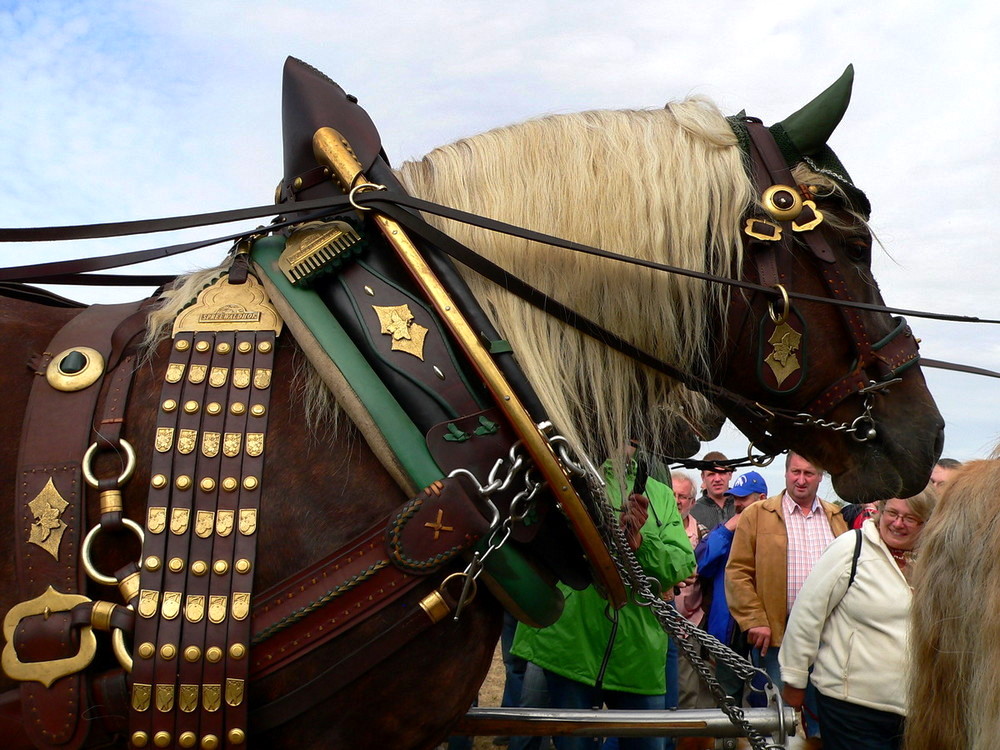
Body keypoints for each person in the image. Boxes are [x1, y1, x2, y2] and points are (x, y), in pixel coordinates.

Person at [512, 451, 697, 750]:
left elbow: (682, 564)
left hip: (639, 651)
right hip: (569, 643)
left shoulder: (660, 493)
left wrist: (641, 543)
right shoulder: (561, 473)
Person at [779, 485, 939, 750]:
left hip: (915, 711)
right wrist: (794, 679)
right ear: (880, 511)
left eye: (910, 518)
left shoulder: (934, 561)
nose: (898, 523)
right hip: (851, 707)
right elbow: (807, 615)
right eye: (892, 513)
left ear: (927, 522)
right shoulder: (852, 548)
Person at [725, 452, 847, 737]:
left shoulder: (834, 515)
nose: (800, 480)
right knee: (779, 720)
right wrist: (754, 619)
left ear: (820, 477)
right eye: (795, 472)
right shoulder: (757, 514)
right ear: (785, 473)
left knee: (824, 723)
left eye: (808, 473)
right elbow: (738, 572)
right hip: (777, 636)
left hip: (828, 638)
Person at [695, 471, 768, 703]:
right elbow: (702, 564)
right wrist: (727, 529)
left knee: (764, 693)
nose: (737, 504)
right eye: (735, 498)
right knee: (727, 696)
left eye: (743, 499)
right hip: (728, 627)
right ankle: (728, 740)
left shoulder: (777, 532)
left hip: (764, 627)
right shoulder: (726, 532)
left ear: (762, 499)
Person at [669, 471, 709, 710]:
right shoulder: (651, 528)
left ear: (692, 502)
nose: (676, 501)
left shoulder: (703, 533)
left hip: (690, 623)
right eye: (672, 494)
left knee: (686, 689)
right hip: (657, 622)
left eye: (682, 496)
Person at [689, 452, 734, 531]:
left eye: (722, 473)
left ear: (730, 474)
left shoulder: (743, 506)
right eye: (711, 474)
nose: (717, 479)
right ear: (703, 477)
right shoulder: (693, 511)